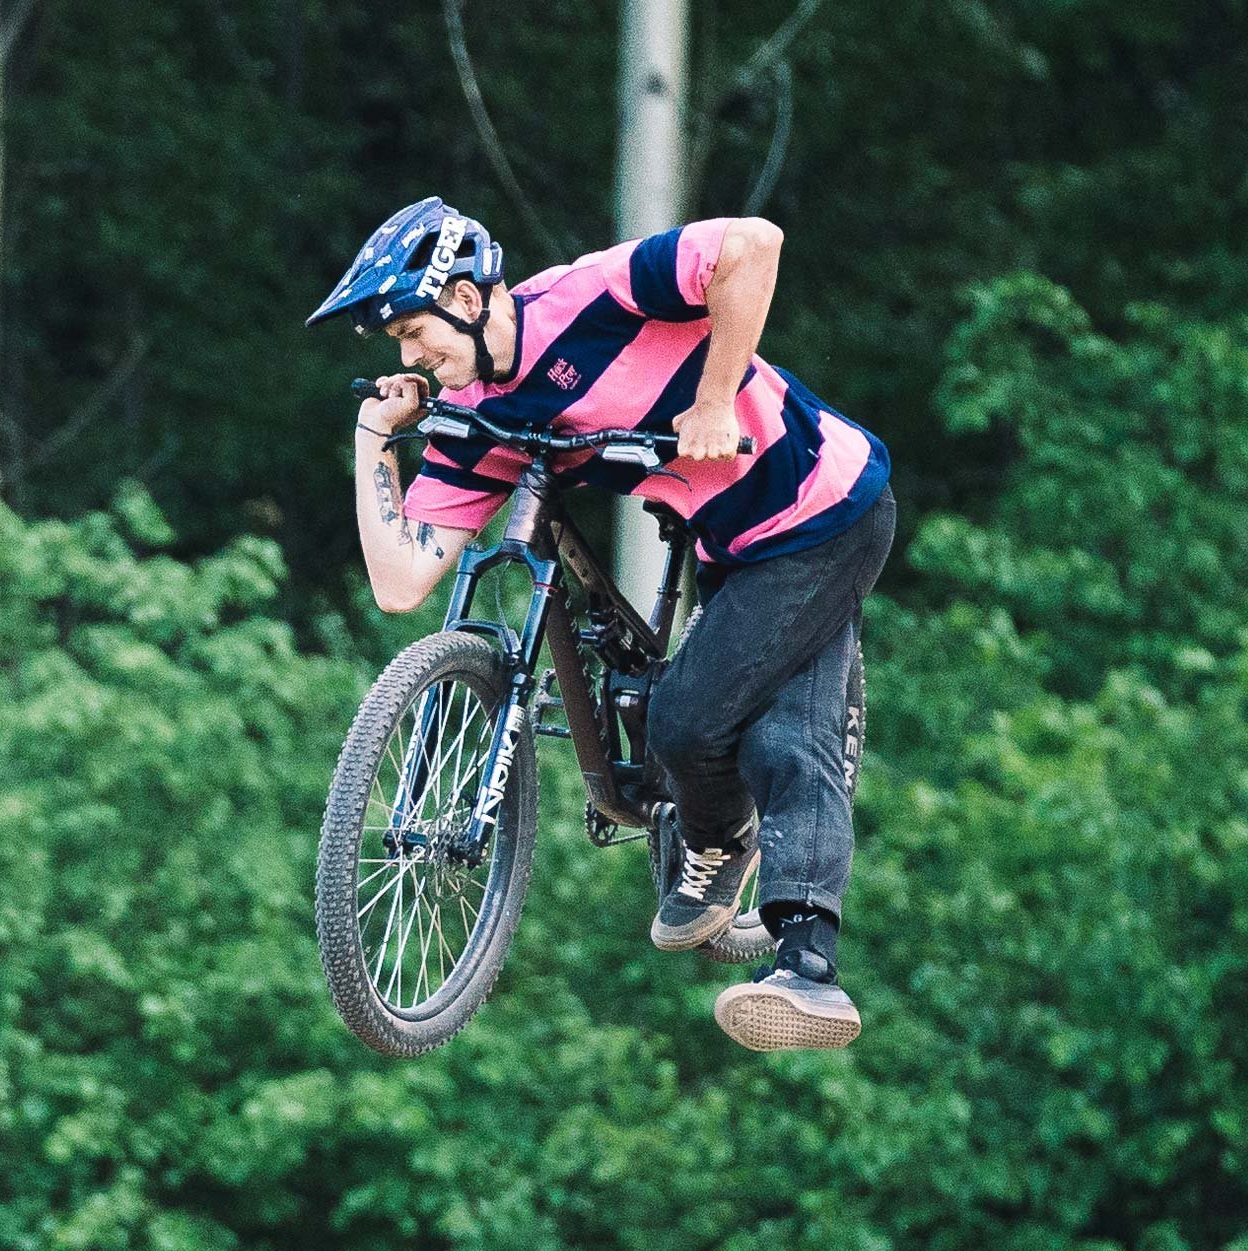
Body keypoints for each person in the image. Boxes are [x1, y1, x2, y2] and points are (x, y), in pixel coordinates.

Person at [306, 196, 895, 1052]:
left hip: (823, 510)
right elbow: (401, 582)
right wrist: (373, 438)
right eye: (398, 345)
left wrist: (716, 395)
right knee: (689, 717)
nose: (412, 358)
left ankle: (804, 965)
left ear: (467, 300)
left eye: (411, 331)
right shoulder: (484, 419)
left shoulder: (591, 296)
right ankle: (711, 821)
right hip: (726, 537)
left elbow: (755, 245)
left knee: (720, 725)